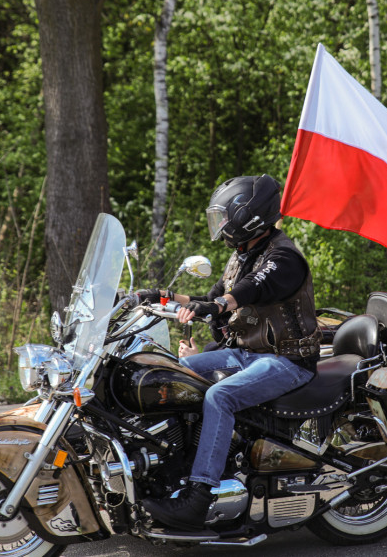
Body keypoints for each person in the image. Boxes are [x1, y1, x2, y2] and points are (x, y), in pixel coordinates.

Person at [136, 174, 321, 531]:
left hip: (287, 361)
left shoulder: (284, 257)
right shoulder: (242, 255)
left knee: (220, 397)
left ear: (246, 218)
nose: (220, 225)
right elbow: (209, 299)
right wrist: (159, 297)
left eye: (224, 217)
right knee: (170, 371)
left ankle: (199, 496)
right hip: (245, 354)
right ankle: (171, 466)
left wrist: (220, 305)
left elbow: (253, 288)